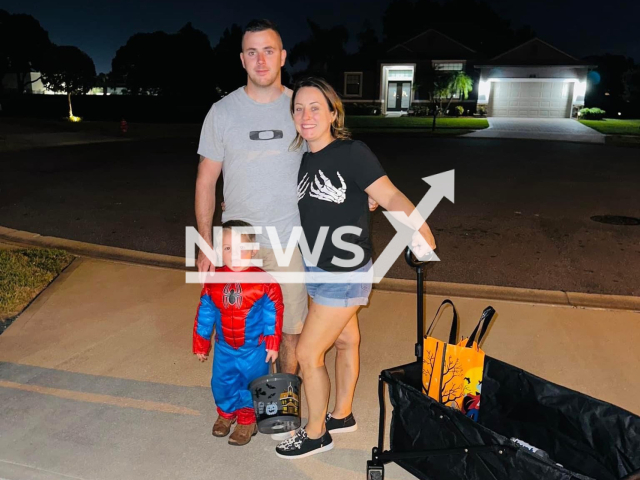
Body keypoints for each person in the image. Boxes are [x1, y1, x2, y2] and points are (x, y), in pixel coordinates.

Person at [275, 78, 437, 459]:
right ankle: (342, 415)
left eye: (316, 107)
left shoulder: (352, 152)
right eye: (299, 108)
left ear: (333, 113)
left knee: (309, 353)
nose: (306, 115)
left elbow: (390, 193)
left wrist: (422, 230)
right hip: (317, 264)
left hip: (344, 271)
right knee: (346, 340)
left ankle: (316, 434)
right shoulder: (307, 158)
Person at [195, 20, 306, 388]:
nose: (261, 60)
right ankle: (241, 403)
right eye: (253, 52)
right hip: (237, 247)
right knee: (236, 330)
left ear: (282, 57)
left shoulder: (301, 108)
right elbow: (206, 180)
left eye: (269, 51)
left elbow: (332, 158)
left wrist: (364, 189)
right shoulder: (222, 112)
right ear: (242, 59)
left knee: (289, 330)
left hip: (288, 240)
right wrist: (206, 243)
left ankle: (283, 410)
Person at [193, 220, 284, 446]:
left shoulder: (265, 282)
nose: (233, 255)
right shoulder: (213, 281)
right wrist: (201, 343)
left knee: (252, 383)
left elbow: (273, 313)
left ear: (253, 250)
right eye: (227, 248)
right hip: (224, 348)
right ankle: (225, 412)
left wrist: (273, 343)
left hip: (254, 349)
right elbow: (205, 313)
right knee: (222, 382)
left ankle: (247, 418)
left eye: (241, 249)